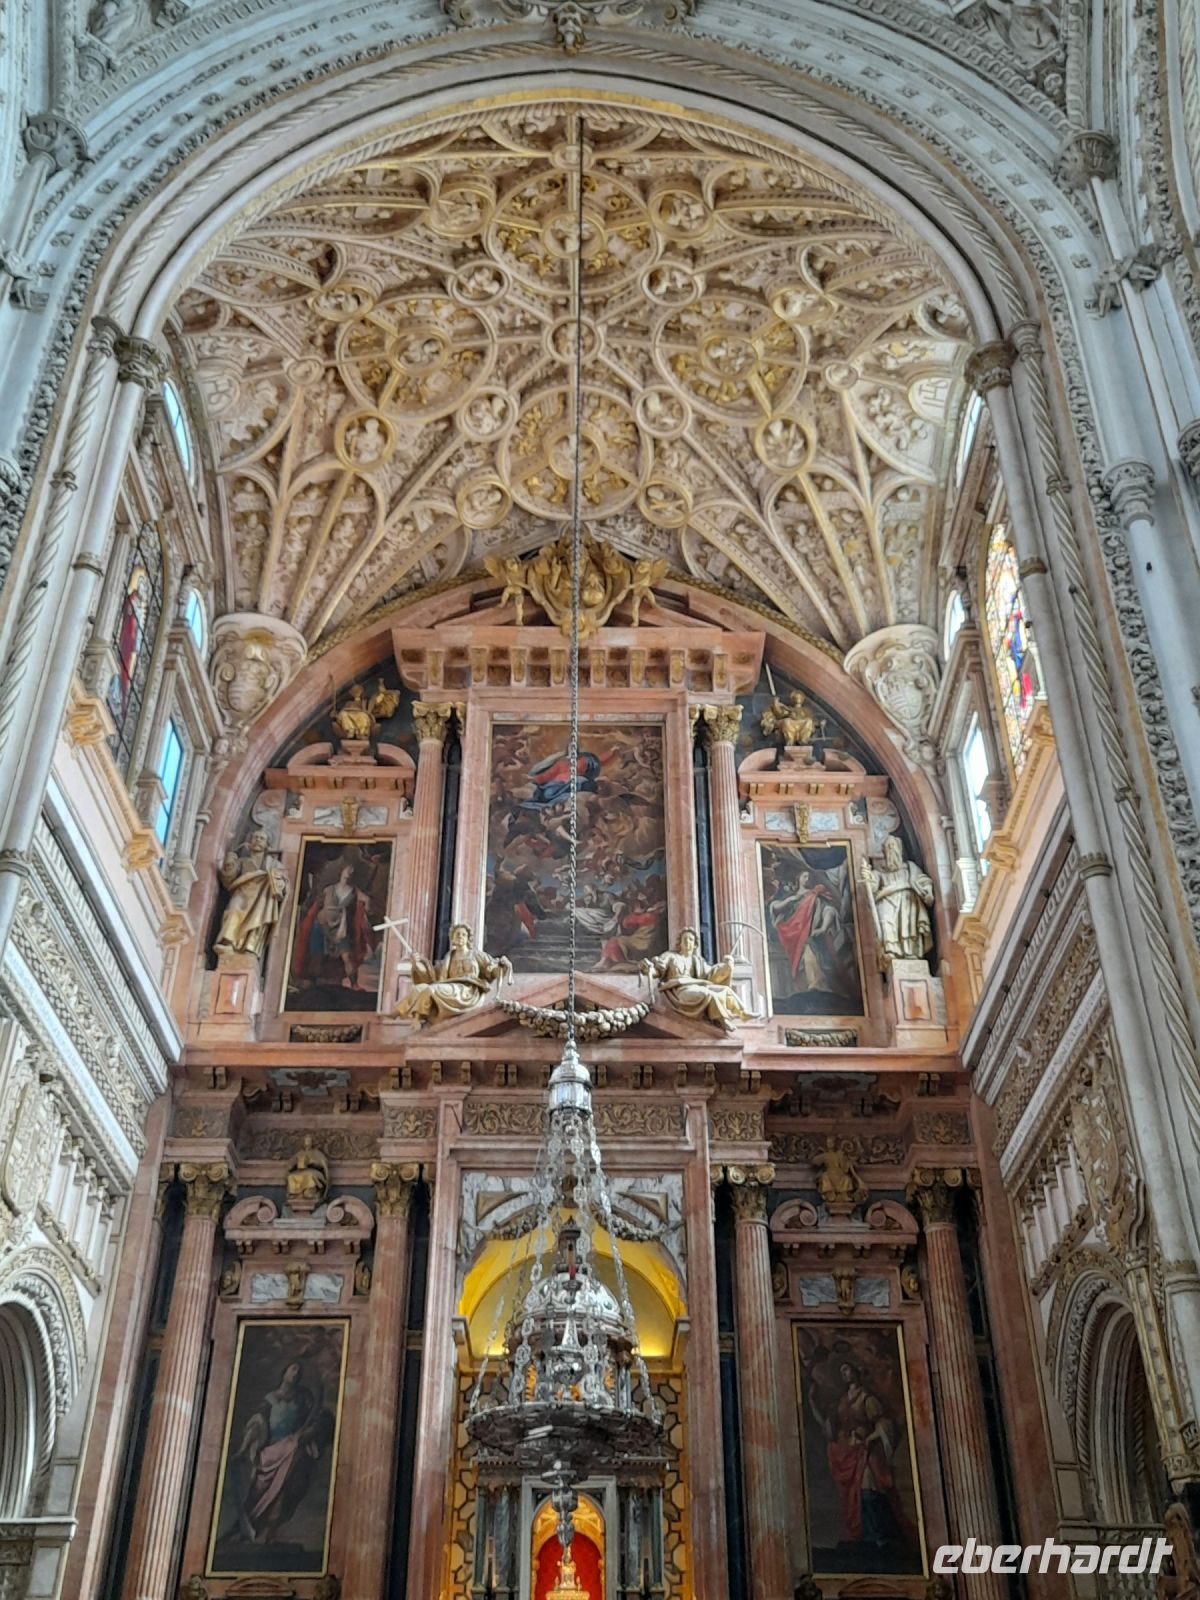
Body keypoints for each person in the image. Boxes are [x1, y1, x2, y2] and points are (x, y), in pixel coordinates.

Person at [810, 1360, 911, 1553]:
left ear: (856, 1371)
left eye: (847, 1369)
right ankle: (863, 1536)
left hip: (866, 1452)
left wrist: (869, 1439)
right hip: (848, 1452)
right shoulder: (842, 1400)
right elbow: (830, 1427)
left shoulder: (867, 1398)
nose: (844, 1373)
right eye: (842, 1371)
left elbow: (885, 1425)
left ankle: (878, 1534)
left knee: (868, 1487)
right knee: (852, 1496)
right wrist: (813, 1403)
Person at [232, 1361, 328, 1544]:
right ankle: (247, 1529)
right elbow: (257, 1423)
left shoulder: (304, 1397)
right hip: (272, 1451)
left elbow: (313, 1418)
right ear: (283, 1371)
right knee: (258, 1492)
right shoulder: (270, 1399)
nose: (296, 1374)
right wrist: (244, 1449)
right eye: (293, 1369)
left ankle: (271, 1532)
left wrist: (309, 1433)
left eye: (299, 1370)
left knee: (287, 1490)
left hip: (295, 1448)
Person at [641, 928, 755, 1031]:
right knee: (709, 995)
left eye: (690, 939)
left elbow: (711, 974)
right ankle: (722, 1019)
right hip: (680, 990)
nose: (687, 941)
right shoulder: (670, 956)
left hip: (697, 985)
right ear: (679, 943)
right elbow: (658, 971)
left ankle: (742, 1012)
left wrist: (727, 966)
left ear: (695, 944)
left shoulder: (697, 960)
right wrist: (648, 969)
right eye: (684, 939)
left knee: (725, 991)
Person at [395, 923, 512, 1023]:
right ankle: (395, 1013)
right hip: (449, 987)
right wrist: (416, 964)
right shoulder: (449, 958)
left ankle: (419, 1018)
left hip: (467, 991)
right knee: (419, 988)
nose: (460, 936)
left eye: (463, 934)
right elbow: (430, 976)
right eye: (457, 934)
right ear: (453, 939)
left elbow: (493, 972)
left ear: (468, 939)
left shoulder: (476, 955)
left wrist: (503, 966)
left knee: (430, 990)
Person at [292, 862, 374, 990]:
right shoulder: (329, 889)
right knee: (317, 955)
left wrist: (366, 910)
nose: (350, 871)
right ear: (341, 871)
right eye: (348, 868)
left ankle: (354, 984)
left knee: (346, 956)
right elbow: (316, 905)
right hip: (321, 923)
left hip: (341, 927)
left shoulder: (354, 891)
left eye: (352, 870)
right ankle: (314, 985)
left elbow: (367, 900)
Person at [860, 836, 934, 968]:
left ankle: (911, 952)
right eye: (888, 848)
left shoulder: (910, 868)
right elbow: (871, 888)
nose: (891, 851)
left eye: (893, 847)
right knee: (885, 923)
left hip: (907, 901)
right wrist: (867, 877)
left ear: (899, 850)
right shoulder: (879, 873)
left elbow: (923, 881)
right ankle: (890, 952)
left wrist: (928, 891)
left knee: (907, 926)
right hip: (886, 901)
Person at [215, 831, 287, 959]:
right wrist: (229, 863)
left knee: (258, 920)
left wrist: (279, 882)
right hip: (242, 893)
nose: (258, 840)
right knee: (233, 910)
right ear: (250, 842)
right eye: (255, 837)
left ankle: (250, 947)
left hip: (262, 898)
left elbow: (284, 883)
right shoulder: (242, 861)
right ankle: (228, 942)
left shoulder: (274, 864)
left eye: (262, 838)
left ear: (266, 845)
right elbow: (228, 880)